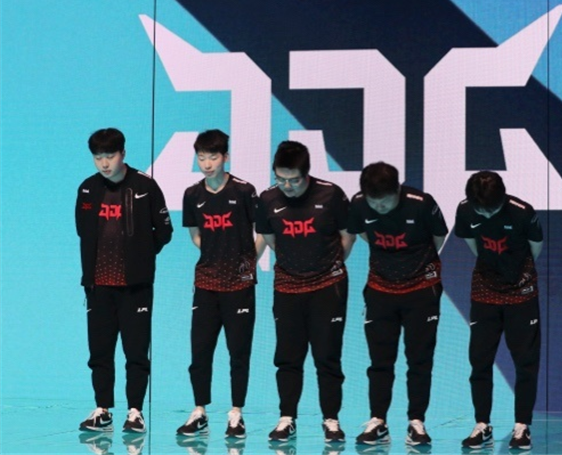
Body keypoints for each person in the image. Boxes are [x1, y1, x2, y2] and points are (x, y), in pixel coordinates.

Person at [255, 140, 355, 444]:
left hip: (328, 287)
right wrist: (295, 263)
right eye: (280, 179)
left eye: (294, 180)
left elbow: (347, 237)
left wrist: (325, 266)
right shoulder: (267, 199)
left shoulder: (331, 194)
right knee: (288, 356)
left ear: (307, 174)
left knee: (327, 356)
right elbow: (269, 238)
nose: (287, 186)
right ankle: (287, 418)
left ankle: (331, 420)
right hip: (287, 287)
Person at [75, 128, 173, 433]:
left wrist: (141, 257)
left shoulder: (145, 186)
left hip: (135, 288)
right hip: (99, 286)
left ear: (123, 154)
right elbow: (83, 231)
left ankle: (135, 412)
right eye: (98, 157)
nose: (104, 163)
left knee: (136, 352)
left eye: (110, 156)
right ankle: (102, 410)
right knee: (100, 352)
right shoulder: (88, 189)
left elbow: (164, 231)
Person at [347, 162, 448, 447]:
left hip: (421, 291)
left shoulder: (422, 204)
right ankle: (378, 421)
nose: (379, 207)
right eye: (374, 202)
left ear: (398, 191)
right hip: (380, 291)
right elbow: (362, 233)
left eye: (385, 201)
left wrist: (414, 263)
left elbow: (439, 237)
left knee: (419, 360)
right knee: (380, 361)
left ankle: (417, 423)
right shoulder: (358, 204)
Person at [176, 129, 265, 438]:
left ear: (225, 157)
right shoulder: (192, 195)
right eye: (201, 157)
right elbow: (195, 235)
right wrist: (216, 254)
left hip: (239, 285)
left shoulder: (244, 191)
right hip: (206, 282)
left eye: (213, 157)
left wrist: (247, 261)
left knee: (238, 353)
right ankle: (199, 411)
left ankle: (236, 413)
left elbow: (264, 231)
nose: (206, 164)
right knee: (200, 351)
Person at [454, 171, 543, 451]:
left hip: (522, 292)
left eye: (490, 210)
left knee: (525, 362)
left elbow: (535, 248)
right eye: (481, 210)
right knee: (479, 361)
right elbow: (474, 246)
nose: (485, 214)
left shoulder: (522, 212)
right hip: (484, 292)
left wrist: (515, 275)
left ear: (502, 199)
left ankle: (522, 426)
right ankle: (482, 425)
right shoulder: (466, 210)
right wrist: (494, 269)